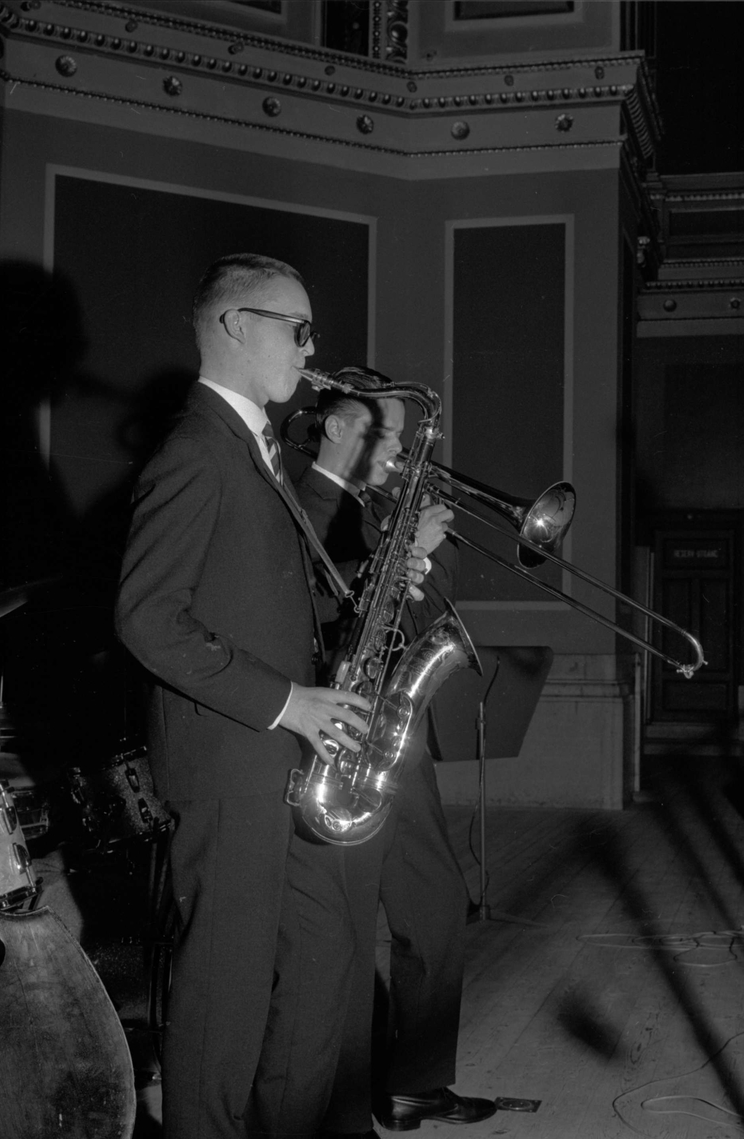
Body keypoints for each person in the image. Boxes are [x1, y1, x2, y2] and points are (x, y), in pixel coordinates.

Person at [114, 254, 374, 1139]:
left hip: (277, 761)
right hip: (230, 762)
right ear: (236, 327)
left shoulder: (252, 446)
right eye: (297, 328)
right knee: (223, 994)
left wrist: (378, 584)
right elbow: (147, 618)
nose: (313, 347)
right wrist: (288, 704)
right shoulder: (195, 449)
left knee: (321, 953)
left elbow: (268, 592)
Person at [294, 374, 497, 1137]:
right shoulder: (298, 498)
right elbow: (305, 616)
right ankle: (340, 1105)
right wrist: (395, 556)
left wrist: (415, 568)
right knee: (341, 932)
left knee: (437, 905)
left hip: (392, 735)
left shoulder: (381, 508)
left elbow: (420, 614)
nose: (402, 454)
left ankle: (416, 1081)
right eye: (388, 438)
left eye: (408, 441)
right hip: (331, 740)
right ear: (342, 430)